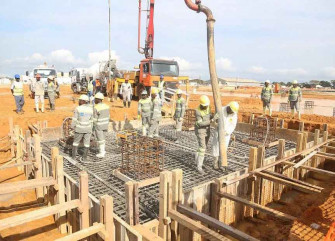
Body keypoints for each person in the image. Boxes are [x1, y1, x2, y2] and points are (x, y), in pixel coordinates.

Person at [212, 101, 239, 169]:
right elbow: (214, 119)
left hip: (226, 134)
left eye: (233, 112)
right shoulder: (221, 110)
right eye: (231, 111)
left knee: (224, 148)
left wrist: (227, 132)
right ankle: (215, 162)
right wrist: (215, 122)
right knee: (216, 147)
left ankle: (222, 163)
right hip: (218, 132)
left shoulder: (234, 115)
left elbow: (233, 125)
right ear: (229, 107)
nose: (231, 113)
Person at [195, 95, 215, 174]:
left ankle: (197, 162)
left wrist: (213, 116)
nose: (206, 107)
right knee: (202, 148)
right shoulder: (197, 111)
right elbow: (201, 124)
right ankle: (199, 167)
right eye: (205, 106)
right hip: (200, 131)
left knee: (202, 147)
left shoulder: (208, 107)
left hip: (207, 130)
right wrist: (212, 120)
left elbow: (210, 115)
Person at [71, 95, 94, 162]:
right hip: (88, 129)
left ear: (83, 101)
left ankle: (73, 158)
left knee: (75, 143)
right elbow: (92, 120)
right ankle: (84, 158)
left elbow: (74, 119)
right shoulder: (90, 109)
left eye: (80, 100)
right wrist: (91, 129)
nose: (79, 101)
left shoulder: (78, 108)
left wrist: (72, 127)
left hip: (79, 129)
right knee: (87, 143)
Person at [93, 93, 110, 158]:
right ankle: (103, 150)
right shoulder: (106, 106)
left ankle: (101, 153)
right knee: (103, 138)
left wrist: (93, 126)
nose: (94, 100)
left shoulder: (96, 107)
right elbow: (108, 115)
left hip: (99, 125)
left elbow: (94, 119)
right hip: (105, 124)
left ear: (98, 99)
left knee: (100, 139)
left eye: (95, 99)